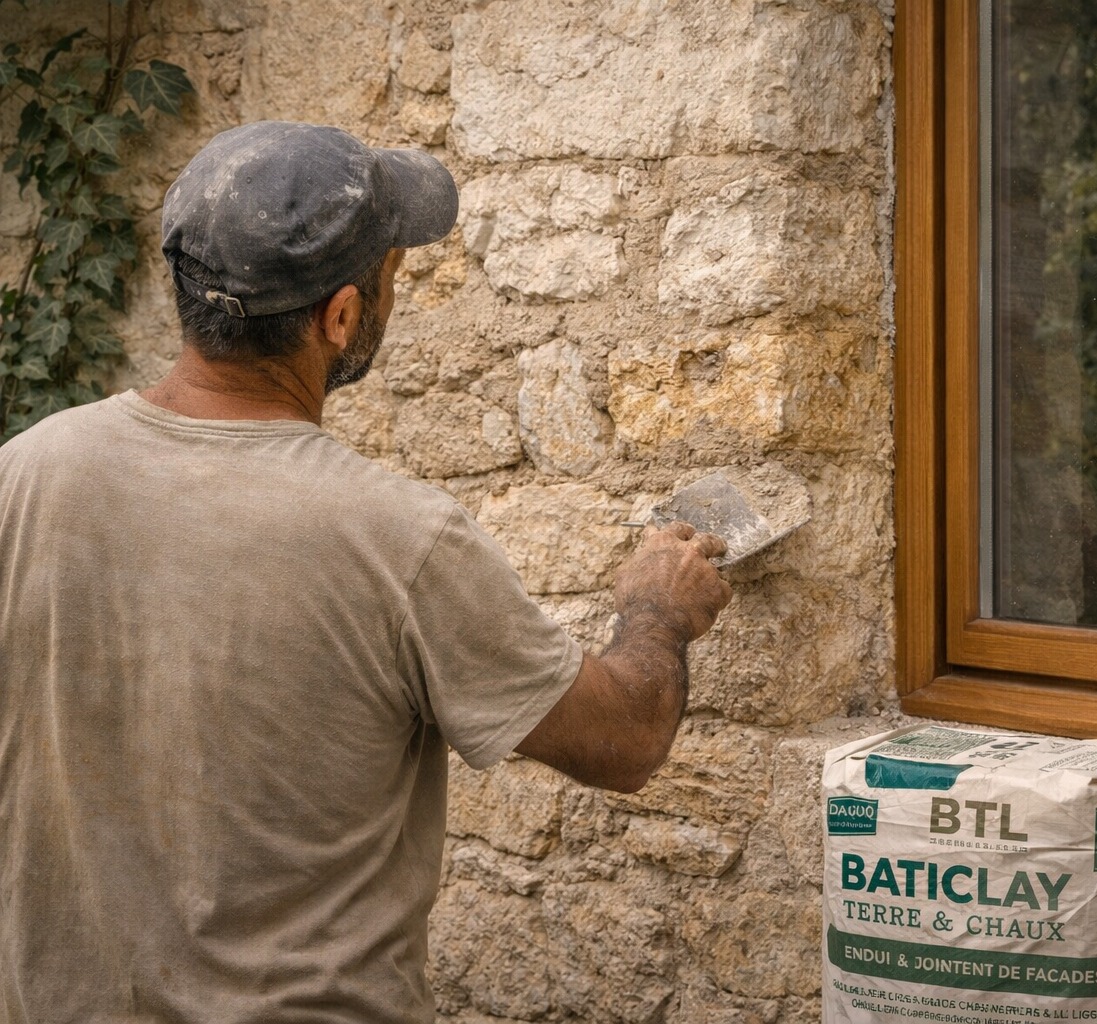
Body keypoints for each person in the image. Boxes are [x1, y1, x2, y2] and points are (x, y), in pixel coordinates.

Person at [0, 121, 733, 1022]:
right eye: (391, 276)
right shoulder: (398, 538)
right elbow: (621, 743)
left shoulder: (25, 474)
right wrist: (657, 613)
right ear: (340, 317)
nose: (395, 294)